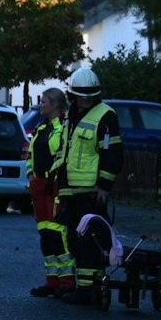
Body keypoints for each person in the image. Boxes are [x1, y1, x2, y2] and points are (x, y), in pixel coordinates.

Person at [51, 66, 121, 305]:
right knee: (74, 239)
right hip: (71, 190)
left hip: (92, 192)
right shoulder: (72, 115)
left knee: (90, 239)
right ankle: (84, 287)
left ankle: (90, 291)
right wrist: (61, 192)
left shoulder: (106, 115)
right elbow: (65, 153)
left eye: (91, 94)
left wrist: (104, 186)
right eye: (82, 94)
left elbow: (112, 154)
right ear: (73, 94)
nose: (87, 98)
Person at [26, 87, 73, 298]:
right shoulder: (41, 127)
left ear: (54, 104)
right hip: (39, 183)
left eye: (44, 101)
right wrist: (30, 174)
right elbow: (31, 154)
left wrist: (54, 178)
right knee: (45, 235)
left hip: (54, 185)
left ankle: (67, 281)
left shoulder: (63, 127)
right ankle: (51, 280)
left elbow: (64, 156)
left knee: (57, 234)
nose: (40, 105)